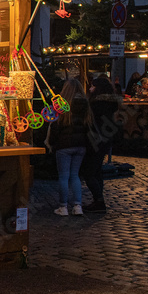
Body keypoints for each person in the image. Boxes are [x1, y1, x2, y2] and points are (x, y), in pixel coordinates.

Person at [45, 79, 93, 217]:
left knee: (64, 176)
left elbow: (55, 126)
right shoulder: (85, 104)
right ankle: (78, 206)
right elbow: (88, 125)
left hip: (64, 145)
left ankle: (63, 207)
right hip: (81, 145)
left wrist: (52, 143)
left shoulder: (61, 105)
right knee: (75, 175)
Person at [82, 76, 120, 213]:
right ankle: (98, 200)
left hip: (95, 139)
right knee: (97, 170)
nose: (90, 88)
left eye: (92, 86)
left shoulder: (95, 104)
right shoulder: (111, 103)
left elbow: (90, 122)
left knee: (89, 172)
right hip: (105, 140)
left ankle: (99, 200)